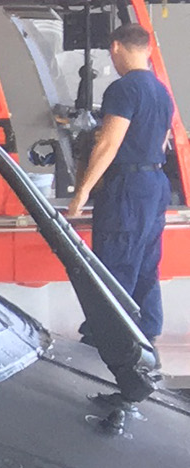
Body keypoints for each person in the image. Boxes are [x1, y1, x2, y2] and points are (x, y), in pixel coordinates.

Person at [72, 20, 176, 344]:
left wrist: (81, 194)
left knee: (115, 260)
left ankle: (109, 335)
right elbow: (162, 143)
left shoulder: (123, 89)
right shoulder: (162, 91)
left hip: (127, 189)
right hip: (155, 184)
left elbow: (108, 144)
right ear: (147, 49)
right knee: (145, 261)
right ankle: (146, 329)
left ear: (115, 48)